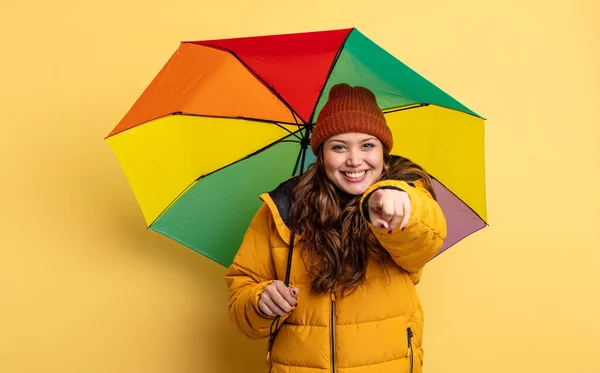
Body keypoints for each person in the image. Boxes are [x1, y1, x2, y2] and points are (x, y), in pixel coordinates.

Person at [225, 83, 447, 373]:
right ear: (321, 153)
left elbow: (425, 240)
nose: (354, 160)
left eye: (368, 145)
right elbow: (241, 294)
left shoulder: (409, 194)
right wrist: (260, 301)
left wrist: (399, 202)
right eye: (339, 147)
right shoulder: (282, 210)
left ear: (383, 151)